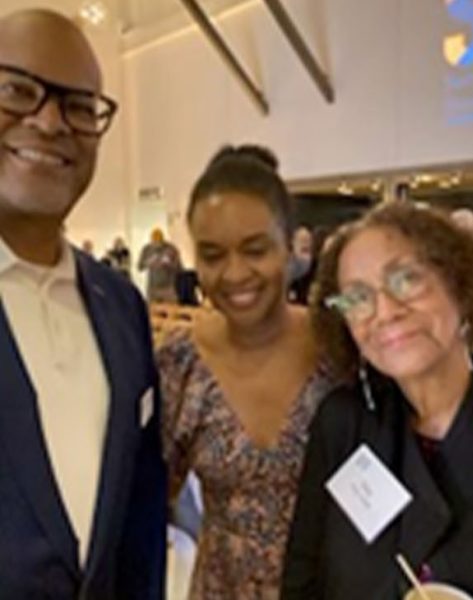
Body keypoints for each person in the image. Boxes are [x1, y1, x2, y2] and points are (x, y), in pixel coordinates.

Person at [281, 203, 473, 600]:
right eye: (357, 298)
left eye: (406, 280)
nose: (385, 312)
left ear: (459, 286)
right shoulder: (342, 423)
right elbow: (302, 580)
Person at [0, 9, 166, 598]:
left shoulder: (121, 306)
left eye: (77, 106)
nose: (49, 123)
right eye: (18, 90)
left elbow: (138, 518)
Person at [157, 145, 335, 599]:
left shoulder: (338, 346)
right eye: (213, 255)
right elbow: (148, 501)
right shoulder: (179, 364)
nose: (235, 274)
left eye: (255, 250)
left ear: (290, 246)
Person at [138, 227, 183, 302]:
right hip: (153, 288)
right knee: (153, 311)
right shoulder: (147, 249)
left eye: (159, 242)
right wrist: (148, 262)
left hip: (168, 288)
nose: (157, 245)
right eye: (154, 243)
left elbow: (180, 268)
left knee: (171, 311)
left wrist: (169, 264)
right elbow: (139, 267)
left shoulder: (171, 249)